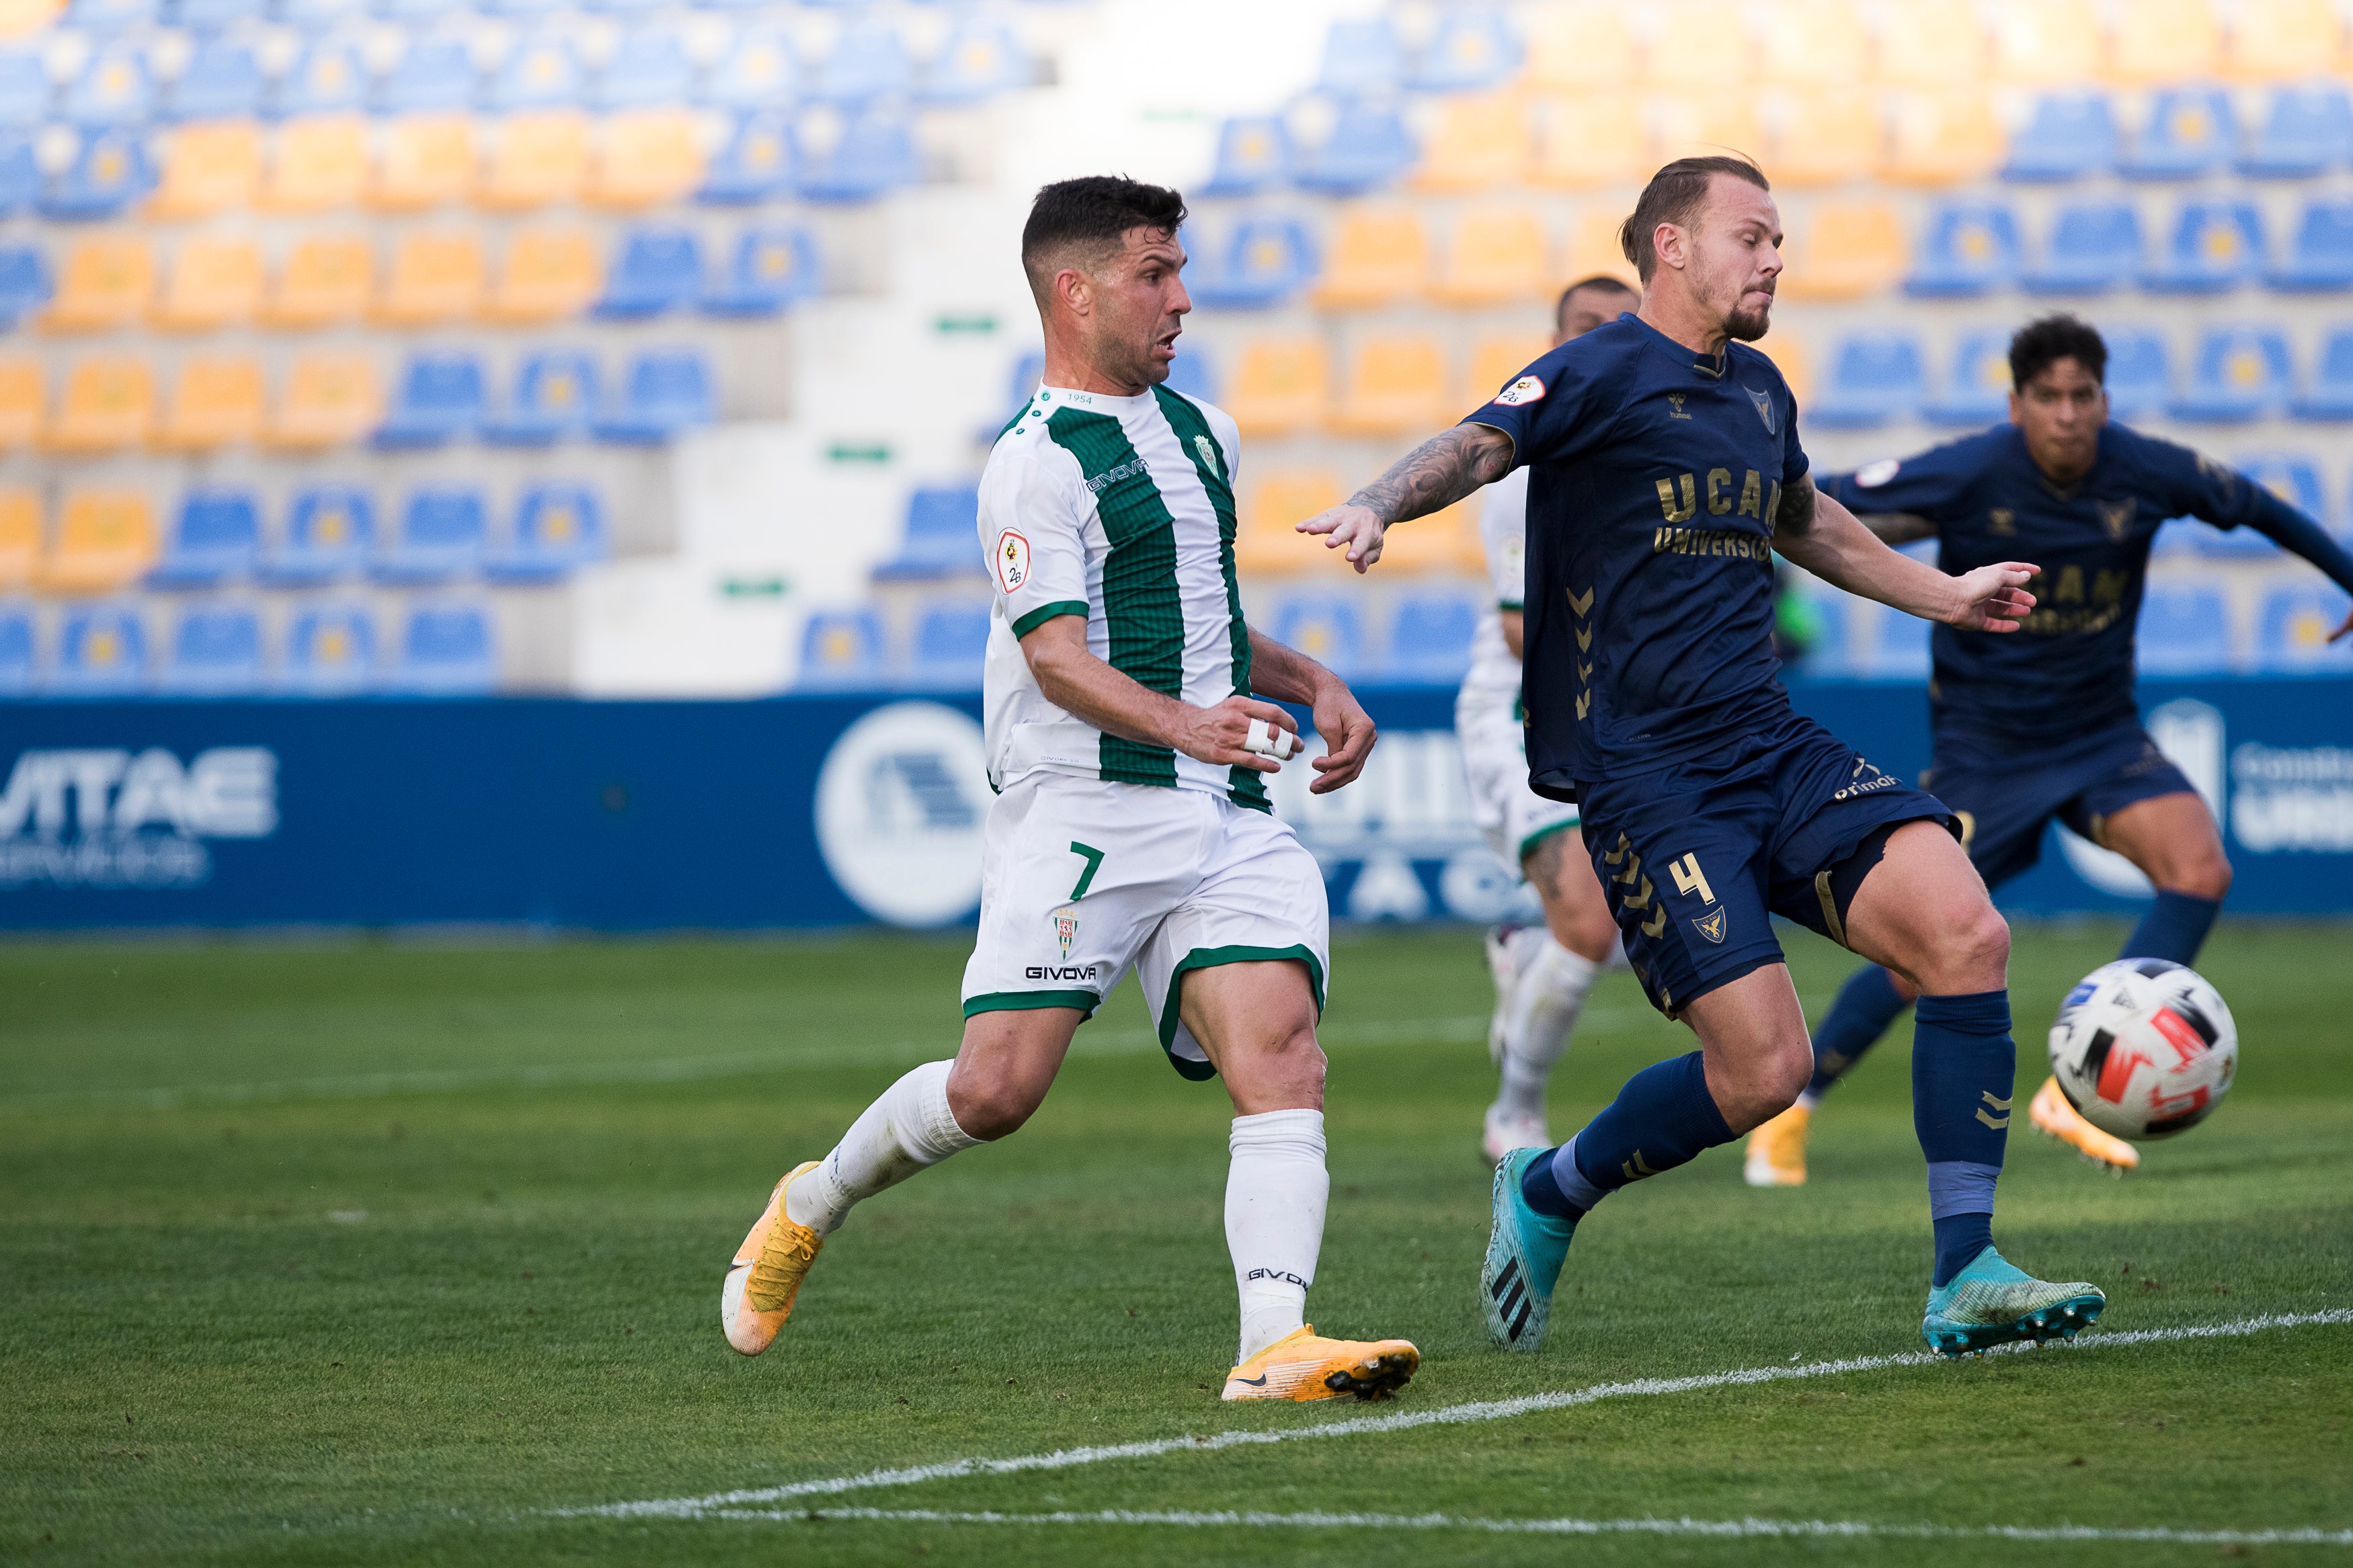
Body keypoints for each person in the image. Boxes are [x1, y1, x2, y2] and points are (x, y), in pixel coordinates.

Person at [1298, 155, 2106, 1358]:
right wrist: (1377, 501)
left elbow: (1805, 517)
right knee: (1765, 1067)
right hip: (1648, 776)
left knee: (1966, 932)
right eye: (1753, 236)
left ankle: (1965, 1268)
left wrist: (1941, 593)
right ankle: (1553, 1185)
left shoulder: (1762, 388)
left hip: (1770, 744)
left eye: (1780, 239)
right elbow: (1476, 446)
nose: (1776, 257)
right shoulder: (1597, 366)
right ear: (1671, 247)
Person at [720, 176, 1421, 1403]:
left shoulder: (1205, 432)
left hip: (1220, 813)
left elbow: (1205, 629)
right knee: (995, 1090)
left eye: (1180, 270)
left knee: (1285, 1052)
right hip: (1084, 813)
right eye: (1156, 273)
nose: (1183, 298)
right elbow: (1057, 658)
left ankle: (1273, 1345)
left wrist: (1313, 679)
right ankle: (811, 1198)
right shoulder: (1033, 466)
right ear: (1075, 289)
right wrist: (1189, 723)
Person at [1745, 314, 2353, 1184]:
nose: (2068, 414)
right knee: (1925, 950)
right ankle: (1792, 1109)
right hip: (1986, 749)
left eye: (2083, 396)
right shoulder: (1970, 469)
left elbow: (2259, 506)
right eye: (2048, 398)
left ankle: (2077, 1084)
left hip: (2103, 733)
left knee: (2201, 869)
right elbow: (1803, 506)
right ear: (2016, 404)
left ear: (2104, 401)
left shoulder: (2145, 468)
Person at [1464, 274, 1636, 1163]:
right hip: (1526, 717)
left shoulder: (1653, 455)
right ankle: (1515, 1110)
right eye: (1583, 328)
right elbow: (1522, 627)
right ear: (1556, 343)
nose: (1601, 341)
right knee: (1594, 923)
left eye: (1620, 327)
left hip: (1624, 718)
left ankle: (1523, 950)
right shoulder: (1522, 465)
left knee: (1661, 927)